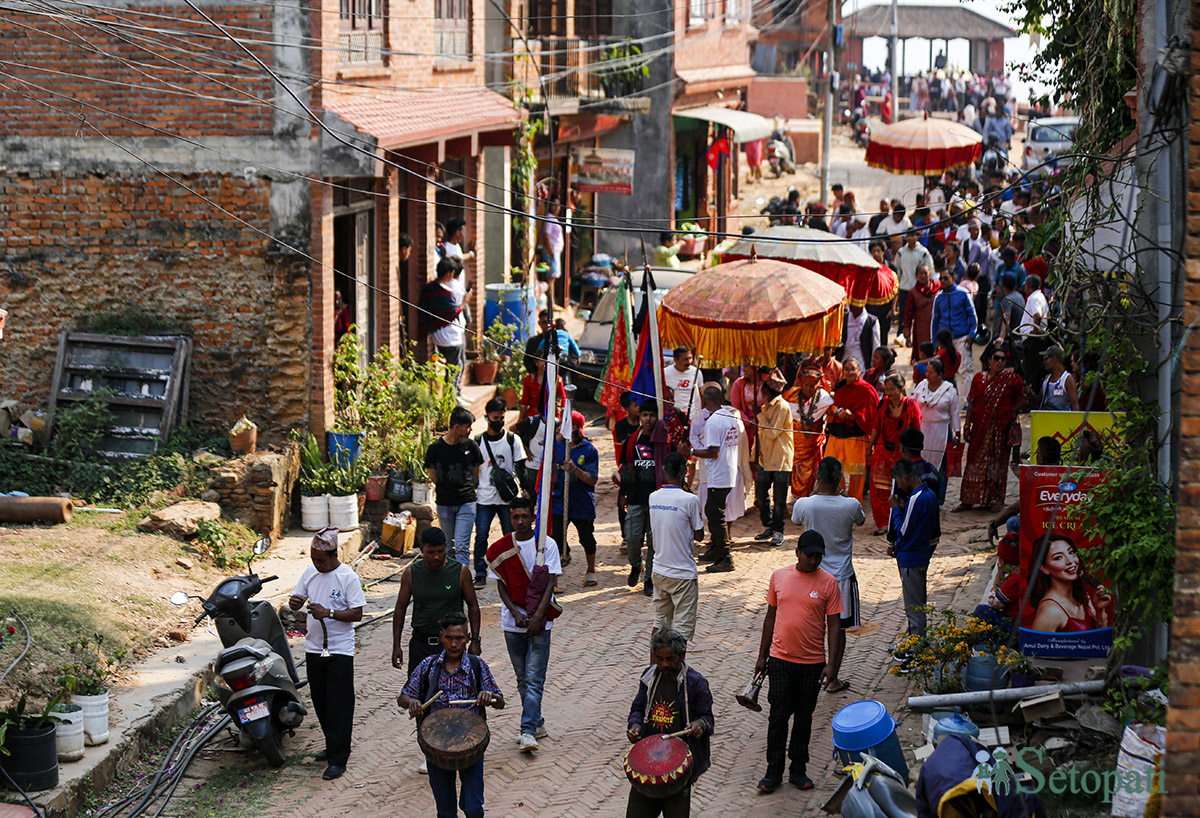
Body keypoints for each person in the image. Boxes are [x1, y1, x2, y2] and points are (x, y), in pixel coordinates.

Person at [754, 530, 845, 793]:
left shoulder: (829, 583)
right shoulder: (779, 577)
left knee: (804, 718)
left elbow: (834, 626)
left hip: (813, 664)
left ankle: (798, 770)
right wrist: (762, 656)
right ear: (797, 552)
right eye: (810, 555)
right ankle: (773, 772)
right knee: (778, 716)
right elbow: (770, 617)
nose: (814, 561)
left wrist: (832, 666)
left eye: (818, 556)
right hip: (780, 660)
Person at [392, 534, 483, 776]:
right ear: (421, 550)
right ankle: (429, 750)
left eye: (441, 551)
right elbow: (400, 608)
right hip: (422, 643)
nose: (436, 557)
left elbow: (473, 604)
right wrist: (396, 645)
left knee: (455, 695)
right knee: (421, 699)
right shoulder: (412, 574)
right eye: (431, 552)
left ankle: (457, 743)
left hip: (452, 645)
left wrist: (475, 639)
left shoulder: (459, 571)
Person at [398, 612, 504, 818]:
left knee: (474, 808)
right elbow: (403, 697)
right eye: (449, 638)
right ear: (441, 637)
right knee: (445, 812)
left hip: (471, 744)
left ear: (467, 638)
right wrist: (413, 702)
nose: (454, 644)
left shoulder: (477, 665)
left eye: (459, 638)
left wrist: (489, 696)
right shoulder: (428, 665)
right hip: (436, 746)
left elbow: (500, 702)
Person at [288, 527, 366, 780]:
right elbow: (297, 597)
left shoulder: (347, 578)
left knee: (339, 704)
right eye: (313, 559)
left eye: (321, 560)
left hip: (340, 650)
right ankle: (332, 745)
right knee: (321, 701)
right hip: (313, 648)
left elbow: (357, 614)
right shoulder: (310, 572)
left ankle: (338, 759)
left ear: (334, 555)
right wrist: (295, 602)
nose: (316, 564)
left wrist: (329, 613)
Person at [485, 498, 562, 752]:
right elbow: (501, 584)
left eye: (524, 516)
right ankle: (537, 723)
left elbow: (550, 582)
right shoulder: (501, 548)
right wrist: (515, 614)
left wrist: (538, 616)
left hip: (541, 621)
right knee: (522, 678)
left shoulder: (547, 544)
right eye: (515, 516)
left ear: (533, 517)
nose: (520, 521)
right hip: (513, 622)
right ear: (510, 517)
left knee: (534, 678)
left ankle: (527, 730)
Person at [626, 629, 714, 817]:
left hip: (677, 768)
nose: (664, 664)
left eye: (670, 659)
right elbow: (638, 709)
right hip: (649, 765)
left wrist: (699, 725)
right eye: (659, 659)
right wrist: (635, 726)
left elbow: (707, 719)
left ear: (682, 654)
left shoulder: (696, 683)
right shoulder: (650, 676)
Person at [791, 458, 866, 669]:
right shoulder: (851, 504)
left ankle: (809, 668)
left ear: (818, 476)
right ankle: (832, 675)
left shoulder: (805, 504)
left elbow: (797, 519)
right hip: (842, 575)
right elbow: (860, 520)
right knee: (838, 629)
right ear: (839, 477)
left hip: (812, 574)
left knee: (810, 626)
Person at [958, 348, 1025, 512]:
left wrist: (1009, 413)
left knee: (997, 464)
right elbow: (972, 402)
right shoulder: (978, 379)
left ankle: (995, 500)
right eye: (996, 358)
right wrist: (967, 426)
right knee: (975, 462)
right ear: (989, 360)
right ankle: (968, 500)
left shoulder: (1012, 379)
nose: (1000, 362)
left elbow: (1023, 400)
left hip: (1000, 431)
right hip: (979, 428)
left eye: (1003, 359)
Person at [648, 452, 704, 643]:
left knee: (660, 623)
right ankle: (676, 672)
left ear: (664, 470)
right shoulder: (690, 500)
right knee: (681, 632)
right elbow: (699, 535)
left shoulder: (653, 497)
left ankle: (654, 670)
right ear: (685, 472)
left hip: (659, 569)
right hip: (682, 574)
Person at [472, 398, 527, 589]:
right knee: (481, 536)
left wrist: (526, 492)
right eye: (496, 418)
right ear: (487, 417)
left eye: (502, 418)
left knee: (511, 536)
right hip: (485, 497)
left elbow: (521, 468)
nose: (499, 421)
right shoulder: (478, 441)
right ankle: (480, 573)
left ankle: (513, 571)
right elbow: (474, 468)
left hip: (508, 498)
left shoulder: (513, 440)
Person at [688, 383, 742, 573]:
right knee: (714, 512)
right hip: (728, 472)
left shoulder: (712, 422)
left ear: (704, 401)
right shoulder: (728, 415)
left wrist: (690, 451)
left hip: (718, 474)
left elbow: (712, 452)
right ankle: (717, 550)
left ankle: (725, 557)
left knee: (715, 514)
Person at [620, 399, 671, 596]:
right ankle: (635, 565)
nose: (648, 419)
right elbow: (626, 468)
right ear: (639, 417)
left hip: (659, 500)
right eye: (644, 415)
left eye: (652, 415)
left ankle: (649, 578)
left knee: (654, 542)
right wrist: (623, 495)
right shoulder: (633, 440)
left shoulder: (664, 440)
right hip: (635, 498)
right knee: (632, 537)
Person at [425, 407, 484, 568]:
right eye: (468, 426)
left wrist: (472, 486)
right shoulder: (435, 448)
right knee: (448, 547)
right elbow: (432, 474)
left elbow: (476, 468)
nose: (470, 430)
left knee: (462, 546)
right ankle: (450, 581)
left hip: (467, 501)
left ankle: (463, 581)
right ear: (457, 427)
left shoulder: (470, 446)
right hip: (444, 503)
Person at [888, 460, 938, 638]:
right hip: (921, 555)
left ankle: (917, 646)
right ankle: (915, 641)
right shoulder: (929, 495)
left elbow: (903, 531)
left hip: (911, 557)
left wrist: (895, 510)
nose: (900, 486)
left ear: (906, 477)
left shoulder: (916, 498)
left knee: (914, 607)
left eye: (899, 481)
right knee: (918, 603)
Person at [868, 374, 922, 533]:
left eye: (892, 389)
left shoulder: (911, 406)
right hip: (882, 452)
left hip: (903, 455)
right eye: (887, 389)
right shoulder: (883, 404)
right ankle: (883, 523)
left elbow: (916, 431)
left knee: (902, 487)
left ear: (901, 388)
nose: (889, 393)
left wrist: (914, 454)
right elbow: (876, 427)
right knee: (879, 488)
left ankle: (902, 519)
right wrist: (869, 447)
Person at [551, 410, 599, 587]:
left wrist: (575, 471)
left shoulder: (589, 451)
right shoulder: (557, 447)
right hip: (559, 502)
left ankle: (591, 570)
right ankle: (554, 577)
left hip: (581, 503)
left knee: (586, 538)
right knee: (555, 538)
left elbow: (592, 479)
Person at [1028, 537, 1112, 632]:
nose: (1070, 561)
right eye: (1058, 557)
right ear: (1044, 568)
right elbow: (1038, 646)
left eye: (1071, 552)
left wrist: (1099, 611)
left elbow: (1100, 642)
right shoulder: (1050, 612)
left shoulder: (1083, 597)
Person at [823, 358, 878, 502]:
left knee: (857, 473)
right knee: (834, 468)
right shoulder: (840, 386)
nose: (850, 372)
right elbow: (832, 404)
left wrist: (852, 416)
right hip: (836, 434)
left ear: (859, 371)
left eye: (853, 369)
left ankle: (855, 502)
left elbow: (870, 415)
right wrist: (837, 411)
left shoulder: (866, 389)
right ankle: (837, 499)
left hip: (855, 437)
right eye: (846, 369)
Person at [754, 370, 794, 547]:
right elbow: (760, 435)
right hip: (765, 459)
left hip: (780, 459)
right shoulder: (765, 407)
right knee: (761, 497)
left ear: (768, 391)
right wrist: (753, 455)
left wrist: (760, 416)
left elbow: (773, 433)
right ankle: (768, 526)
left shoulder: (782, 407)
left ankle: (779, 530)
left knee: (779, 499)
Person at [783, 362, 833, 498]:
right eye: (806, 385)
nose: (809, 388)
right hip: (793, 445)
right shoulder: (791, 394)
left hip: (812, 447)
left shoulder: (823, 398)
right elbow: (779, 408)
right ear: (801, 382)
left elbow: (833, 411)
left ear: (818, 384)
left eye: (813, 385)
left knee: (810, 474)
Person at [914, 359, 961, 505]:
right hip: (923, 429)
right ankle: (920, 495)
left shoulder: (949, 390)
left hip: (942, 431)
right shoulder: (921, 386)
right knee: (921, 464)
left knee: (940, 467)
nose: (926, 374)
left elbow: (955, 412)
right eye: (926, 371)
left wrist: (957, 432)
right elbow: (914, 406)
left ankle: (937, 499)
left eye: (930, 372)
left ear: (940, 374)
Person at [418, 257, 467, 395]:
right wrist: (465, 302)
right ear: (447, 273)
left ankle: (452, 395)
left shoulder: (430, 288)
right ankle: (452, 397)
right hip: (450, 337)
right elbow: (452, 312)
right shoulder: (445, 292)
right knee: (454, 369)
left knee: (451, 368)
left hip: (438, 336)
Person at [930, 267, 977, 397]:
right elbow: (935, 320)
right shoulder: (939, 297)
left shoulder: (963, 293)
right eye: (941, 279)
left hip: (962, 337)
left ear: (953, 278)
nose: (943, 281)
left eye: (945, 278)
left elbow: (972, 316)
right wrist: (934, 341)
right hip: (945, 342)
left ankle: (965, 403)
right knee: (944, 371)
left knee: (963, 370)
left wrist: (971, 334)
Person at [613, 392, 641, 556]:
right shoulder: (621, 425)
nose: (638, 408)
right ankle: (625, 536)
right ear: (626, 408)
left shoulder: (644, 422)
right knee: (622, 503)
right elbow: (625, 444)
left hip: (644, 468)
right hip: (628, 469)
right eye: (635, 405)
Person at [1016, 274, 1050, 388]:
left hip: (1033, 341)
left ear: (1028, 286)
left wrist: (1034, 331)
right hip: (1035, 339)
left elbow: (1038, 315)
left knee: (1031, 372)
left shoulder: (1034, 298)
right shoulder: (1040, 296)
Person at [902, 264, 940, 356]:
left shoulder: (937, 288)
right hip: (921, 329)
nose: (923, 276)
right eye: (920, 273)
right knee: (923, 353)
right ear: (916, 275)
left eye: (925, 273)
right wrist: (907, 334)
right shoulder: (913, 292)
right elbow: (908, 313)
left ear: (930, 274)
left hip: (937, 326)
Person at [663, 347, 700, 422]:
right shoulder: (665, 373)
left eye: (690, 358)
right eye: (685, 359)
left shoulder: (696, 372)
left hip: (692, 418)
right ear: (675, 360)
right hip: (673, 418)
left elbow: (700, 394)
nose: (689, 362)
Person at [840, 303, 880, 372]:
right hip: (843, 364)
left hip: (862, 366)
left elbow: (875, 347)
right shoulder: (844, 318)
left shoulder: (872, 322)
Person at [1039, 345, 1079, 411]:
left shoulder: (1067, 379)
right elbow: (1040, 401)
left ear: (1055, 359)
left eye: (1046, 358)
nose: (1044, 362)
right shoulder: (1046, 380)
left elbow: (1075, 406)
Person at [992, 271, 1026, 343]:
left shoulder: (1007, 300)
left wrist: (1001, 338)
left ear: (1002, 284)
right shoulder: (1019, 296)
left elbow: (1007, 320)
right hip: (1020, 335)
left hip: (1013, 338)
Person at [539, 197, 564, 280]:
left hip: (555, 252)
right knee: (551, 277)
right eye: (554, 205)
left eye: (558, 205)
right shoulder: (549, 218)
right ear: (550, 206)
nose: (557, 207)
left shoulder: (554, 218)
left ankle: (551, 293)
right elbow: (546, 236)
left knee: (554, 276)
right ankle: (550, 293)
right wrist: (551, 252)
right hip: (551, 252)